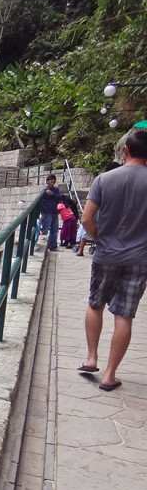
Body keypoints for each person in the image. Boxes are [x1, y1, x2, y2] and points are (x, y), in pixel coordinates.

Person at [78, 127, 147, 392]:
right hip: (140, 258)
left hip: (106, 253)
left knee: (96, 304)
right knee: (124, 315)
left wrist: (99, 240)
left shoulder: (104, 179)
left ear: (125, 151)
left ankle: (91, 358)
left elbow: (86, 219)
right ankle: (109, 375)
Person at [39, 174, 62, 252]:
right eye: (51, 179)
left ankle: (53, 246)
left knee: (54, 230)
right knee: (44, 230)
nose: (53, 181)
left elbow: (60, 197)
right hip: (46, 212)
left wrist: (52, 194)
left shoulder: (56, 189)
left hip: (54, 212)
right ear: (47, 181)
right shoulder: (44, 190)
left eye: (54, 179)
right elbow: (39, 200)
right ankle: (42, 247)